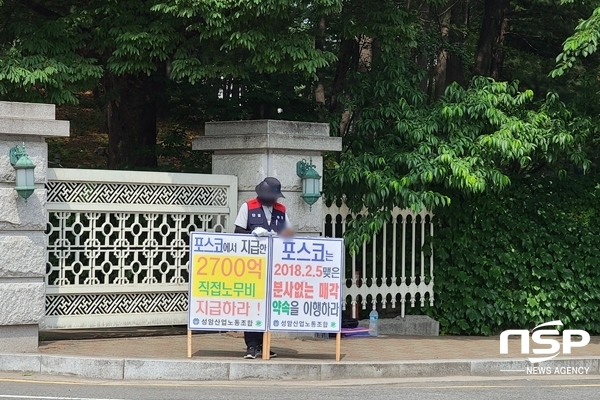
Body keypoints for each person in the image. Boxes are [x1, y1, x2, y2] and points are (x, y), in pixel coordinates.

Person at [234, 177, 293, 359]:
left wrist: (279, 235)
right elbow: (237, 233)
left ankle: (264, 344)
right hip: (251, 266)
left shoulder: (281, 210)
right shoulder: (248, 206)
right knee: (252, 306)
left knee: (267, 308)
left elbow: (289, 234)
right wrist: (254, 234)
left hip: (273, 267)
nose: (271, 201)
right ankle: (251, 346)